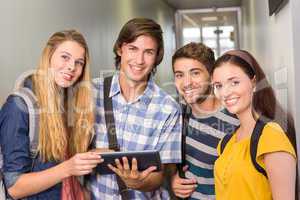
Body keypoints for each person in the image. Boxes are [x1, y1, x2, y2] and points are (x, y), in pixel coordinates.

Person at [0, 30, 103, 199]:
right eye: (65, 57)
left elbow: (67, 164)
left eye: (79, 62)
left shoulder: (70, 106)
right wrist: (68, 168)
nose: (71, 67)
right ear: (49, 56)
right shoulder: (18, 107)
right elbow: (14, 187)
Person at [88, 18, 182, 199]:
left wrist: (138, 182)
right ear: (119, 49)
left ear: (157, 57)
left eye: (148, 52)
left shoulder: (168, 109)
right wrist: (91, 154)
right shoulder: (91, 92)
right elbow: (69, 150)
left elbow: (159, 177)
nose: (139, 60)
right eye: (133, 49)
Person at [212, 50, 297, 200]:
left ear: (254, 82)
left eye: (234, 82)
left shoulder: (271, 136)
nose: (225, 92)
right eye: (218, 86)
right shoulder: (226, 144)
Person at [170, 42, 239, 199]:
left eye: (195, 73)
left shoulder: (235, 118)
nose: (186, 83)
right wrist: (172, 178)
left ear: (212, 75)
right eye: (179, 75)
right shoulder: (177, 115)